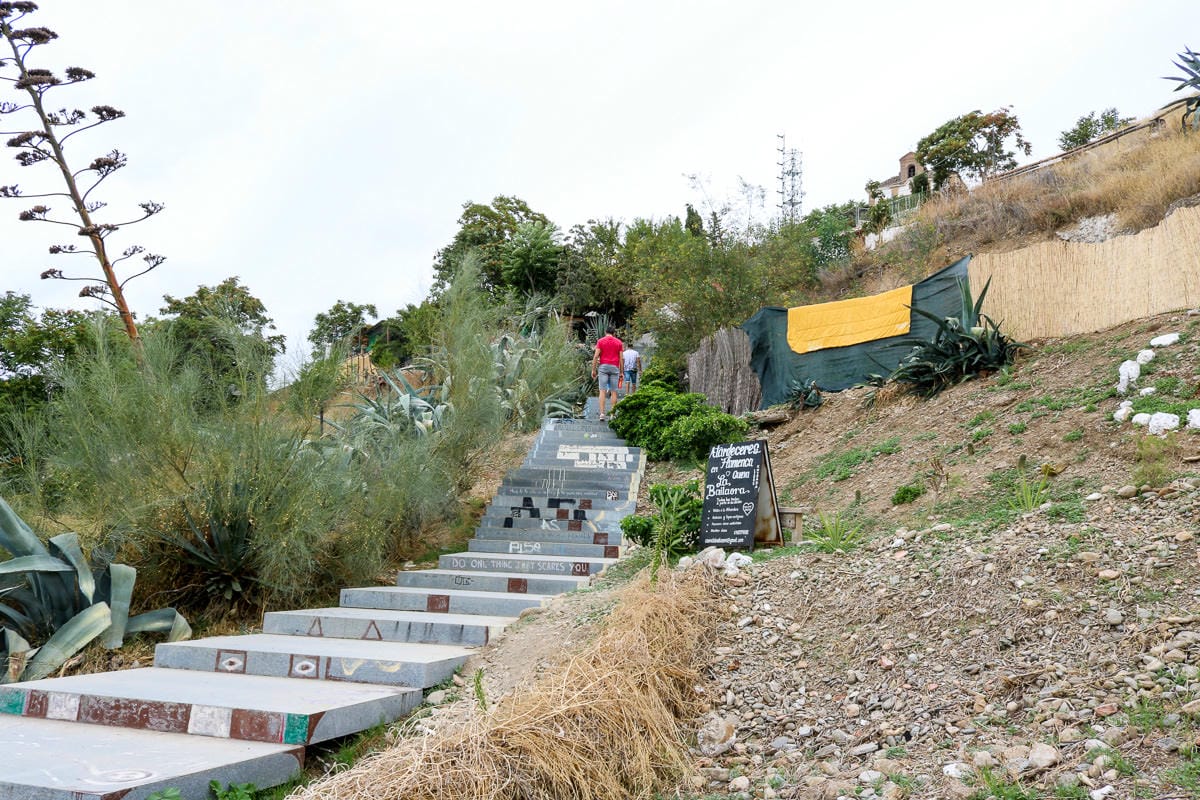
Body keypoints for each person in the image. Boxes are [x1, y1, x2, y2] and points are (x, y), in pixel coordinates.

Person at [591, 326, 623, 421]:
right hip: (614, 368)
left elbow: (596, 356)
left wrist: (593, 370)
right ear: (614, 333)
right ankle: (613, 414)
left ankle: (602, 414)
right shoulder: (619, 342)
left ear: (605, 332)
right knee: (613, 391)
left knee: (602, 391)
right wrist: (621, 372)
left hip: (603, 367)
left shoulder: (601, 341)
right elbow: (621, 358)